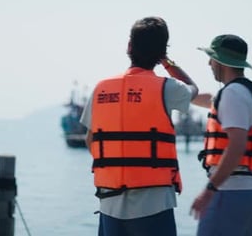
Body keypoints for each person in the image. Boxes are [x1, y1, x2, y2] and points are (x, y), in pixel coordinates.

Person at [80, 16, 198, 236]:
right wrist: (168, 63)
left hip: (109, 203)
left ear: (129, 46)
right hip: (153, 204)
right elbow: (193, 88)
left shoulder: (101, 88)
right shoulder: (167, 88)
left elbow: (91, 140)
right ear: (162, 53)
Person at [190, 34, 252, 236]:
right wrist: (169, 67)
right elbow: (203, 98)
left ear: (221, 61)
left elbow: (236, 146)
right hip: (250, 191)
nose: (209, 63)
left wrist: (209, 190)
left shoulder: (232, 95)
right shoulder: (246, 92)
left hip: (229, 192)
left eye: (211, 58)